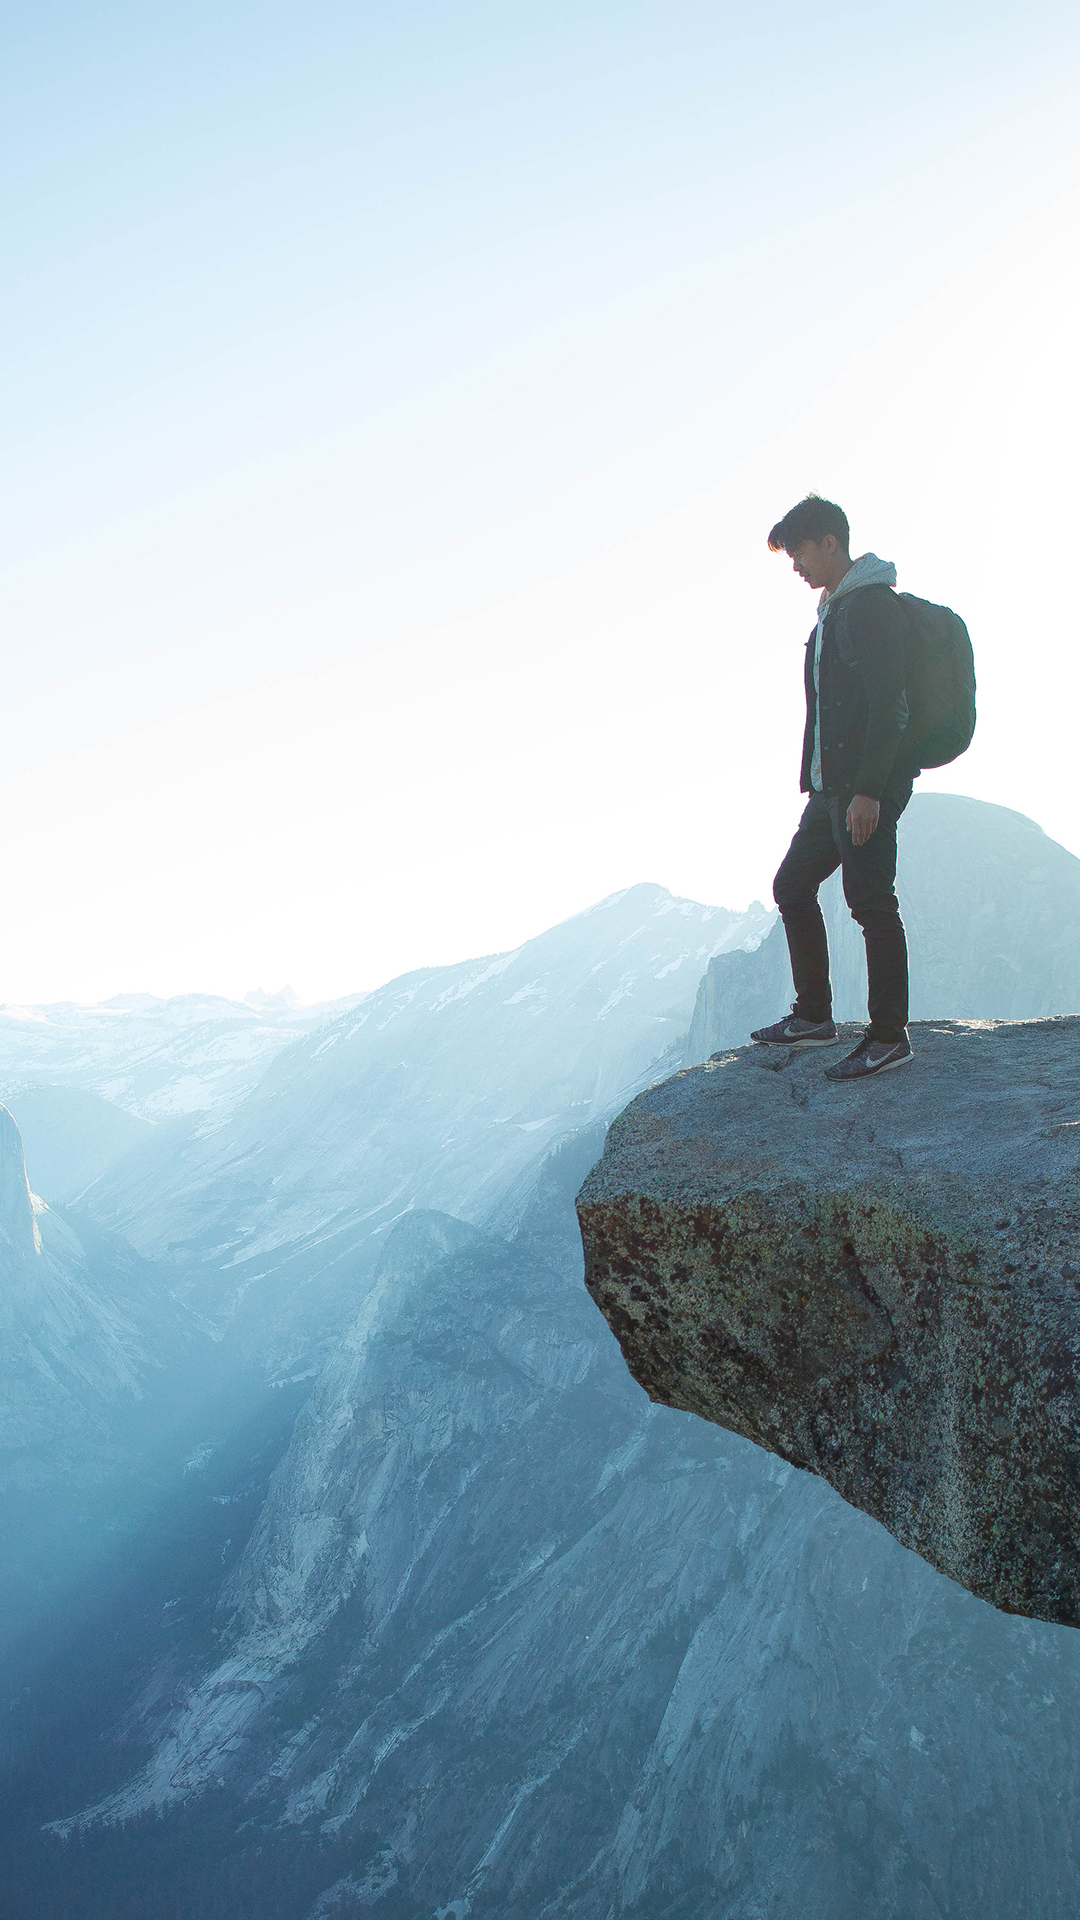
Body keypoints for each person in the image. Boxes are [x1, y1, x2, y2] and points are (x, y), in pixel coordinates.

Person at [751, 494, 916, 1079]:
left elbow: (890, 707)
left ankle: (888, 1036)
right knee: (792, 885)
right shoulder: (833, 611)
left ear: (829, 542)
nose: (795, 564)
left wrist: (871, 790)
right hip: (831, 790)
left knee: (870, 900)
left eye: (799, 550)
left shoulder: (870, 607)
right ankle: (815, 1016)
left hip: (863, 787)